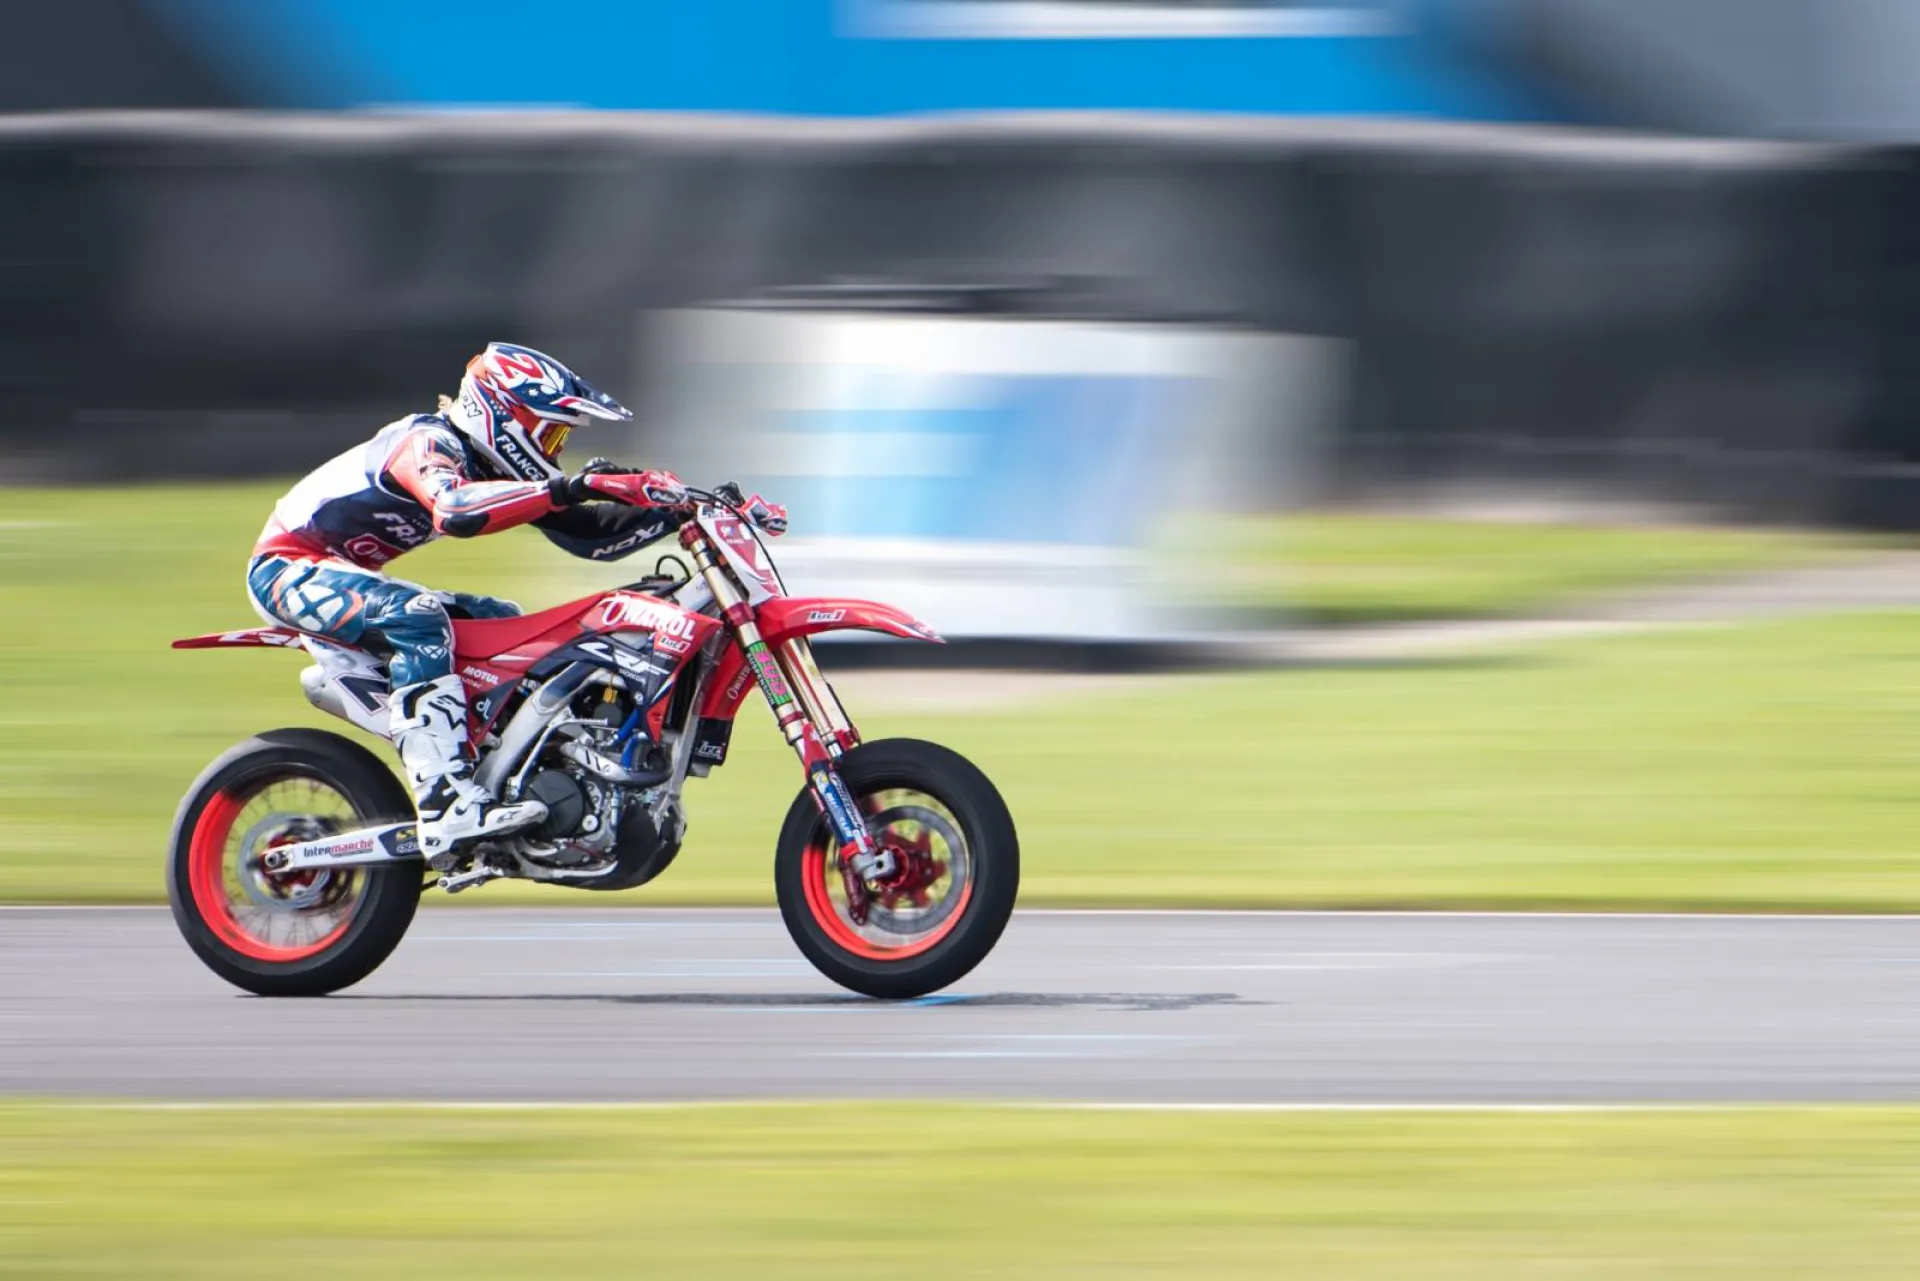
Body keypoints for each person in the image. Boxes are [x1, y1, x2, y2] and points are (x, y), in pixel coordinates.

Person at [247, 341, 692, 867]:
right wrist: (570, 486)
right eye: (548, 432)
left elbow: (585, 537)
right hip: (287, 569)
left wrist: (681, 511)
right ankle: (443, 800)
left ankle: (501, 775)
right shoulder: (428, 441)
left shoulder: (488, 466)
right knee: (415, 615)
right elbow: (454, 510)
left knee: (504, 623)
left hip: (345, 576)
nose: (552, 449)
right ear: (498, 411)